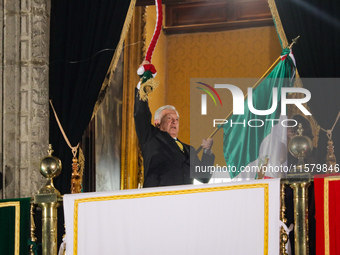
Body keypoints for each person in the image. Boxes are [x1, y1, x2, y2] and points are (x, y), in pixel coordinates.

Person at [134, 65, 215, 188]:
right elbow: (141, 113)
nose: (174, 122)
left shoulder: (190, 150)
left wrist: (207, 151)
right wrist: (143, 87)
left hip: (184, 202)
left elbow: (204, 176)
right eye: (169, 118)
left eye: (176, 119)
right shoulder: (150, 137)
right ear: (157, 123)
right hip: (157, 200)